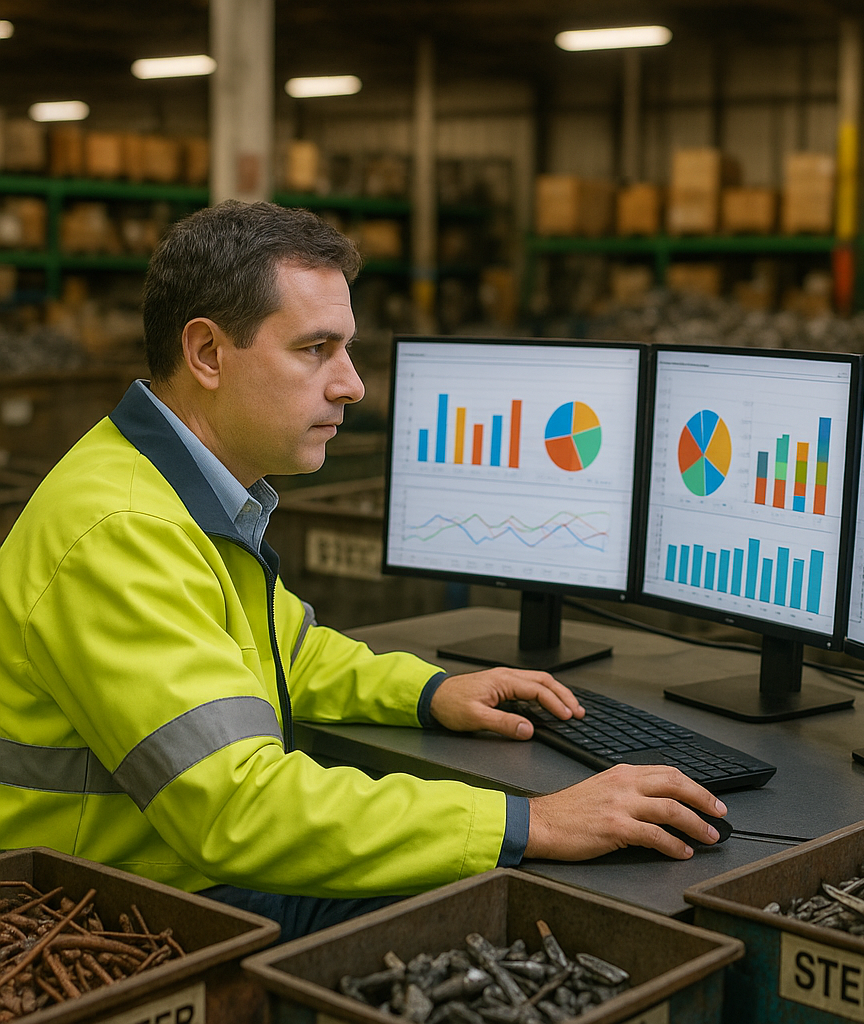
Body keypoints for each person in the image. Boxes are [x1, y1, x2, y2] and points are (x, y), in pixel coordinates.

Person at [0, 201, 726, 942]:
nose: (352, 385)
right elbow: (236, 811)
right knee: (521, 919)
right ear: (208, 354)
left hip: (160, 876)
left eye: (346, 350)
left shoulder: (177, 491)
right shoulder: (123, 531)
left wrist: (430, 691)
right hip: (101, 916)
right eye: (316, 349)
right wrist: (531, 821)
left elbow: (291, 650)